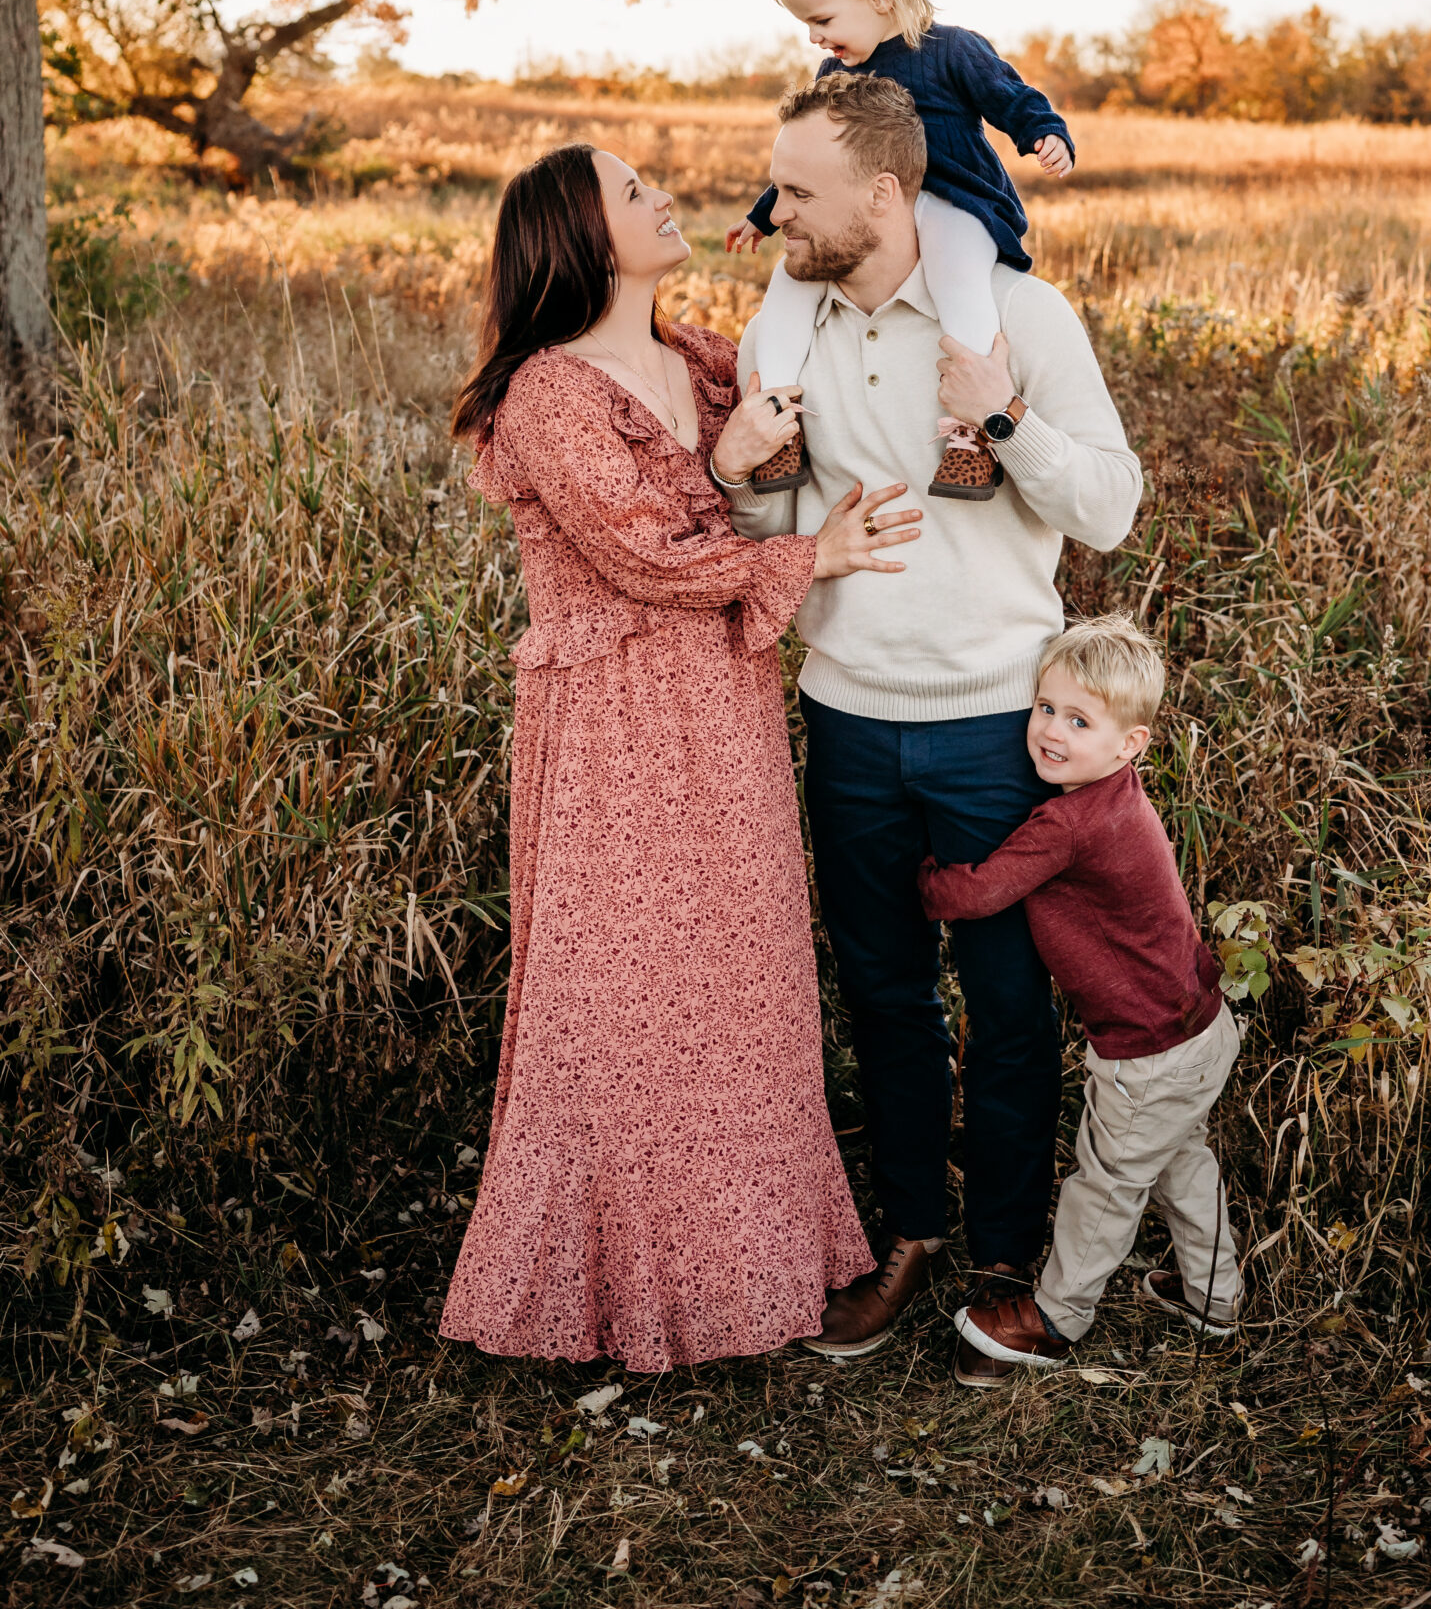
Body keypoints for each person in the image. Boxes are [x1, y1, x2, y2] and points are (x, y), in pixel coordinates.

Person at [438, 142, 923, 1373]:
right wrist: (817, 553)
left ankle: (754, 1263)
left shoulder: (703, 356)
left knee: (740, 981)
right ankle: (620, 1288)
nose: (664, 198)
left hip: (724, 700)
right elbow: (643, 556)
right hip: (613, 720)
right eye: (634, 191)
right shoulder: (552, 392)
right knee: (621, 996)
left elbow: (755, 482)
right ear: (585, 237)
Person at [710, 72, 1143, 1371]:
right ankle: (904, 1229)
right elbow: (786, 541)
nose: (774, 209)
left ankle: (1005, 1251)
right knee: (884, 993)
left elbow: (1110, 507)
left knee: (1007, 1003)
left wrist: (1000, 414)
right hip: (845, 720)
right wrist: (741, 489)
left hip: (992, 728)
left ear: (886, 193)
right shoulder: (777, 343)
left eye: (796, 188)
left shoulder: (1017, 313)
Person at [920, 617, 1240, 1384]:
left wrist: (922, 876)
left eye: (1078, 720)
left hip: (1149, 1048)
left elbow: (980, 892)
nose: (1050, 732)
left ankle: (1053, 1319)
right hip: (1198, 1026)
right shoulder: (1113, 795)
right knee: (1179, 1165)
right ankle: (1214, 1298)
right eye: (1044, 709)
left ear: (1130, 744)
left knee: (1105, 1183)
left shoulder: (1069, 823)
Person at [725, 0, 1076, 502]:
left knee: (958, 278)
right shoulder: (835, 71)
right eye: (807, 24)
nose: (814, 36)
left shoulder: (951, 50)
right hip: (867, 213)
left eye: (823, 18)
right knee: (787, 287)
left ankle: (971, 434)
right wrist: (763, 211)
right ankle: (779, 423)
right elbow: (812, 162)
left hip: (950, 198)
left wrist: (1044, 133)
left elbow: (1010, 97)